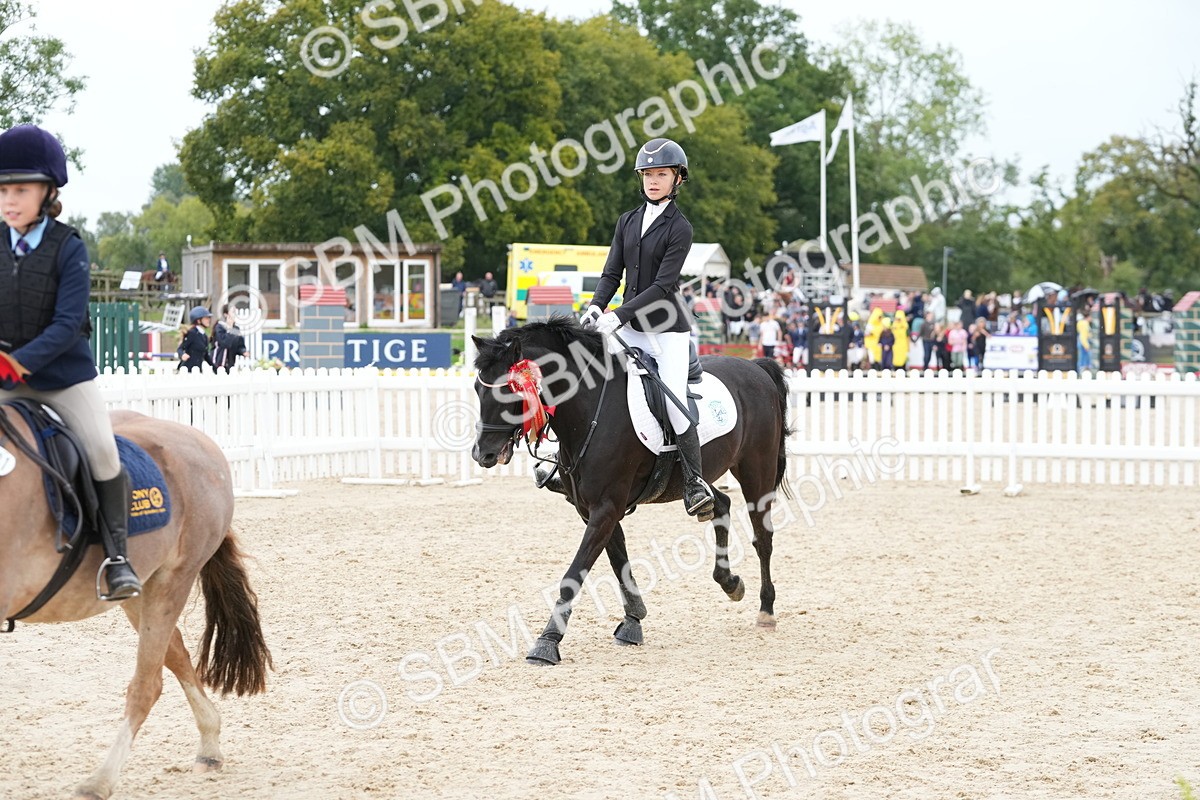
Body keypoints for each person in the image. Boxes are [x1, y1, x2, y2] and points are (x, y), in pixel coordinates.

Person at [0, 124, 141, 600]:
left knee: (102, 448)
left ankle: (118, 559)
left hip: (61, 378)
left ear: (48, 192)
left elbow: (66, 325)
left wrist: (17, 364)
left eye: (20, 189)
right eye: (2, 189)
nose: (9, 199)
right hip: (5, 374)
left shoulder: (69, 247)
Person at [581, 137, 714, 521]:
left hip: (666, 329)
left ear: (677, 179)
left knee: (672, 402)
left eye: (661, 174)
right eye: (647, 174)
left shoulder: (680, 228)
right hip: (628, 324)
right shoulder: (627, 220)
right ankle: (569, 461)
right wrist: (595, 307)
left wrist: (618, 315)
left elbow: (662, 287)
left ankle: (694, 483)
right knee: (594, 380)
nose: (653, 181)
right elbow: (611, 274)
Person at [211, 305, 246, 373]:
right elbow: (225, 343)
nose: (235, 314)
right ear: (226, 314)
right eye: (233, 312)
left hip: (230, 362)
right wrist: (229, 329)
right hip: (218, 361)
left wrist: (243, 351)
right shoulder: (219, 327)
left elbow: (239, 344)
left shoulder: (236, 328)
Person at [178, 306, 213, 372]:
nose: (209, 320)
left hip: (198, 370)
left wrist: (215, 368)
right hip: (187, 370)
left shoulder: (204, 335)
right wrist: (182, 355)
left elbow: (206, 355)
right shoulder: (192, 333)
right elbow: (180, 348)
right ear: (198, 320)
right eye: (206, 318)